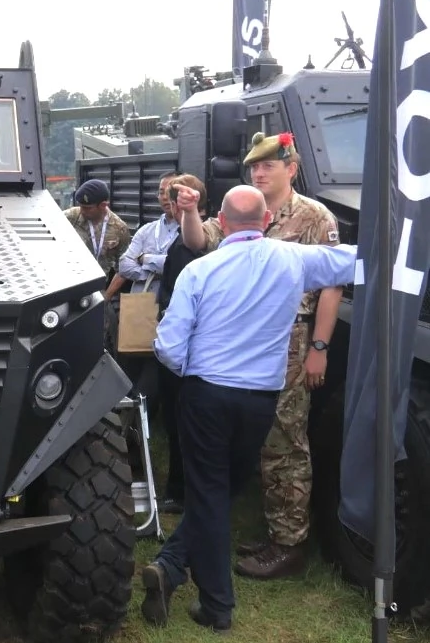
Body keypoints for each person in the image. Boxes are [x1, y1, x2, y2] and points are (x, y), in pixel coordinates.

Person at [140, 185, 356, 632]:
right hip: (260, 401)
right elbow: (358, 260)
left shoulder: (200, 271)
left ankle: (216, 605)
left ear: (221, 218)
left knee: (209, 495)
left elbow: (168, 345)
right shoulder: (294, 259)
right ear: (264, 221)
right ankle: (171, 565)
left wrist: (192, 371)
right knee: (220, 492)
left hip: (206, 394)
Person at [177, 131, 343, 579]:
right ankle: (275, 532)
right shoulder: (241, 207)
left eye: (269, 165)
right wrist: (189, 211)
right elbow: (199, 242)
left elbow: (332, 285)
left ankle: (288, 545)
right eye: (255, 166)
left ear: (292, 168)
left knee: (286, 445)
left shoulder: (313, 217)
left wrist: (319, 349)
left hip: (290, 342)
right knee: (252, 442)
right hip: (239, 342)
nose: (260, 171)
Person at [150, 173, 210, 514]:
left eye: (170, 200)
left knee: (179, 419)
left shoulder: (189, 244)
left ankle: (181, 492)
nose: (166, 205)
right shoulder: (183, 239)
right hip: (180, 340)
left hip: (182, 345)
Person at [64, 179, 133, 353]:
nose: (82, 211)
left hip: (97, 292)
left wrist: (106, 296)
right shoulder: (69, 218)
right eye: (80, 206)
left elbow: (123, 268)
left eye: (88, 208)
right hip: (68, 287)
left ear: (103, 205)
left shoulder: (119, 229)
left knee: (96, 340)